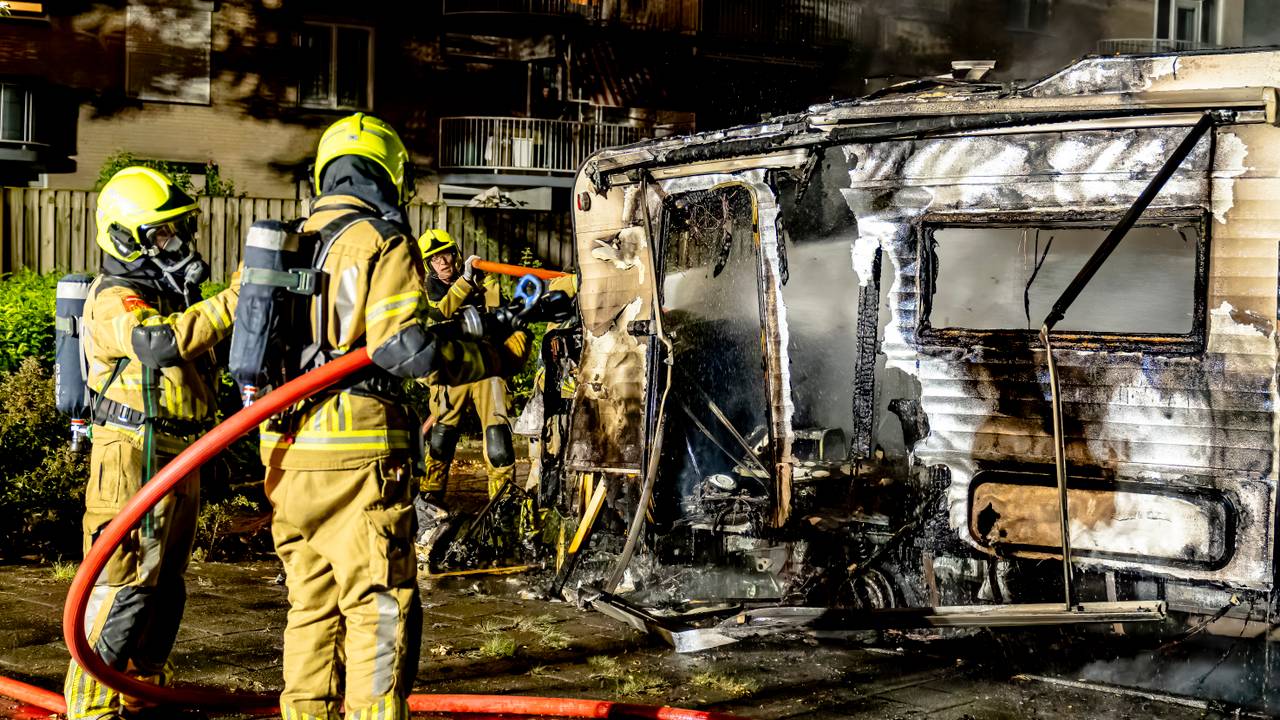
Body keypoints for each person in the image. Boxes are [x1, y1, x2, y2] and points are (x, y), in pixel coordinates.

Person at [261, 113, 527, 720]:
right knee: (379, 602)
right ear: (389, 175)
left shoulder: (288, 241)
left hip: (286, 454)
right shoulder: (380, 239)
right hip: (355, 458)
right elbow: (406, 350)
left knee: (312, 608)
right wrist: (489, 355)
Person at [64, 166, 240, 720]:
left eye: (180, 231)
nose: (180, 245)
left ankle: (144, 692)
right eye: (164, 234)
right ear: (126, 238)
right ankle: (90, 704)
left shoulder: (164, 295)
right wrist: (236, 298)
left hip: (178, 454)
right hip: (130, 454)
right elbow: (160, 343)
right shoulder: (115, 297)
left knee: (166, 587)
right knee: (123, 583)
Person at [417, 230, 517, 501]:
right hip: (452, 371)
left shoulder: (485, 280)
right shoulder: (426, 291)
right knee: (441, 439)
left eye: (446, 254)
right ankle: (430, 502)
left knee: (499, 444)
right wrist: (465, 281)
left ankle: (502, 507)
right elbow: (438, 313)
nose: (443, 263)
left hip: (486, 368)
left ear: (456, 254)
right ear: (428, 265)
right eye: (435, 259)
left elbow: (500, 318)